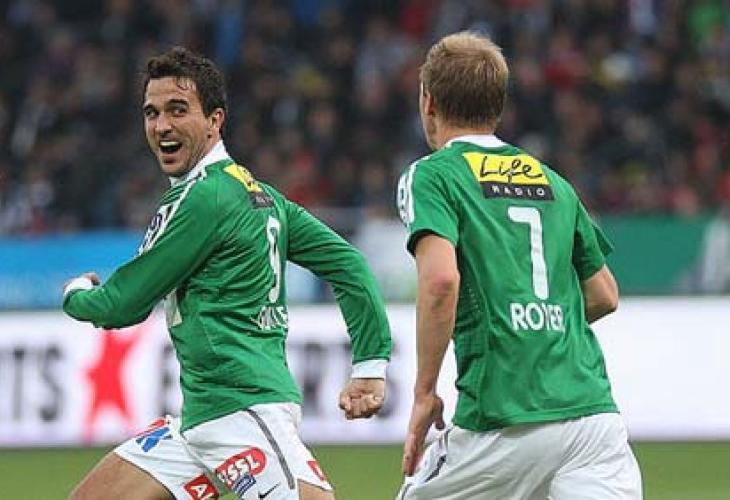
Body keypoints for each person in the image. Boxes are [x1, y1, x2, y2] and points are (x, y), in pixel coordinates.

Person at [62, 47, 392, 500]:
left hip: (243, 413)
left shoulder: (205, 197)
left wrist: (76, 292)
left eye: (178, 110)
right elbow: (349, 264)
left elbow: (120, 304)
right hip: (201, 420)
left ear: (215, 121)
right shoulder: (261, 196)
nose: (162, 126)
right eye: (152, 113)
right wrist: (370, 364)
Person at [395, 32, 642, 499]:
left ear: (428, 102)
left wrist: (424, 393)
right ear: (498, 105)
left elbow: (441, 281)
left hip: (504, 417)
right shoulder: (554, 182)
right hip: (592, 419)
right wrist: (540, 323)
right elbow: (604, 294)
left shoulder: (431, 176)